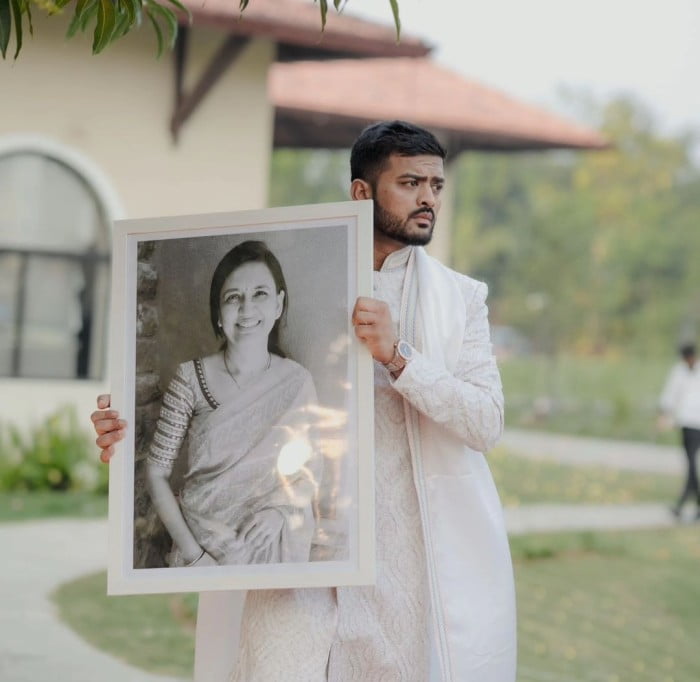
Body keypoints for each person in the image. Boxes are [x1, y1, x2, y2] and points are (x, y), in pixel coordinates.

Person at [92, 120, 517, 681]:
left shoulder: (461, 300)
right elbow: (200, 438)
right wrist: (122, 434)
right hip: (292, 556)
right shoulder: (303, 265)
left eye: (436, 186)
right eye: (410, 183)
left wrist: (400, 358)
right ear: (362, 192)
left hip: (408, 560)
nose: (428, 199)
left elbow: (486, 422)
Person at [138, 240, 321, 568]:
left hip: (270, 548)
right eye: (233, 298)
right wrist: (196, 558)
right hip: (201, 546)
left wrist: (281, 510)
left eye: (260, 294)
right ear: (218, 315)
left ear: (279, 305)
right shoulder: (191, 378)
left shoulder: (297, 382)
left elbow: (311, 467)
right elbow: (156, 472)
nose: (247, 309)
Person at [658, 342, 700, 521]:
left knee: (691, 464)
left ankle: (683, 504)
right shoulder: (678, 372)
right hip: (687, 423)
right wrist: (664, 415)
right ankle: (686, 504)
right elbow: (669, 395)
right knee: (690, 463)